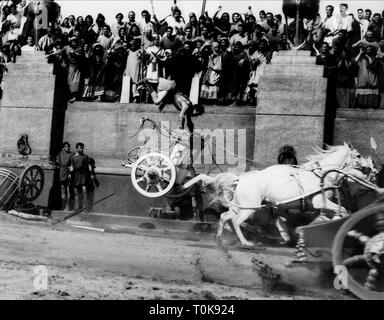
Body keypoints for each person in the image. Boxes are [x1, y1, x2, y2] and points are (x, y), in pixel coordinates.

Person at [138, 77, 203, 132]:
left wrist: (192, 131)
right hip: (170, 87)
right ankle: (146, 82)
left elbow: (189, 122)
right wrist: (181, 129)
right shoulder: (187, 106)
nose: (195, 116)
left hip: (171, 88)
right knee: (156, 101)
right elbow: (181, 116)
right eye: (197, 114)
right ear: (195, 110)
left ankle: (146, 83)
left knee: (156, 100)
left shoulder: (188, 107)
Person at [70, 143, 95, 213]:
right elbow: (72, 167)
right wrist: (70, 175)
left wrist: (91, 174)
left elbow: (89, 166)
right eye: (79, 148)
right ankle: (77, 207)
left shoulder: (86, 157)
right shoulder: (73, 157)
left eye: (81, 148)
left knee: (84, 191)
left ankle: (85, 208)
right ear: (76, 149)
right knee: (76, 192)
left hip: (84, 175)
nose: (80, 149)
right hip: (76, 176)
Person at [56, 141, 75, 211]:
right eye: (66, 146)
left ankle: (68, 206)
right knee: (62, 189)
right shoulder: (60, 154)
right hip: (62, 171)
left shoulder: (71, 154)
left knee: (68, 189)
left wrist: (70, 173)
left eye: (68, 146)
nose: (68, 148)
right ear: (63, 148)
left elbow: (72, 164)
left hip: (68, 171)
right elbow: (57, 161)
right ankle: (62, 205)